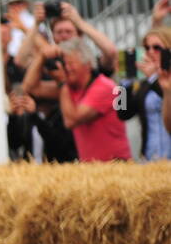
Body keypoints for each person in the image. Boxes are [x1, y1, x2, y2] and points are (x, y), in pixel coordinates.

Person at [42, 37, 131, 161]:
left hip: (115, 164)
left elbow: (71, 121)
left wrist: (62, 83)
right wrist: (42, 56)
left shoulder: (104, 87)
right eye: (65, 64)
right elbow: (30, 87)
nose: (67, 69)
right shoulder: (72, 88)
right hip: (92, 167)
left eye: (71, 64)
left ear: (88, 65)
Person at [118, 26, 171, 161]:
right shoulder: (145, 83)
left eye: (156, 48)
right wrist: (124, 85)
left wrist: (154, 78)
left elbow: (165, 94)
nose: (150, 52)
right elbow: (123, 113)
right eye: (147, 48)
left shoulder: (151, 80)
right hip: (150, 156)